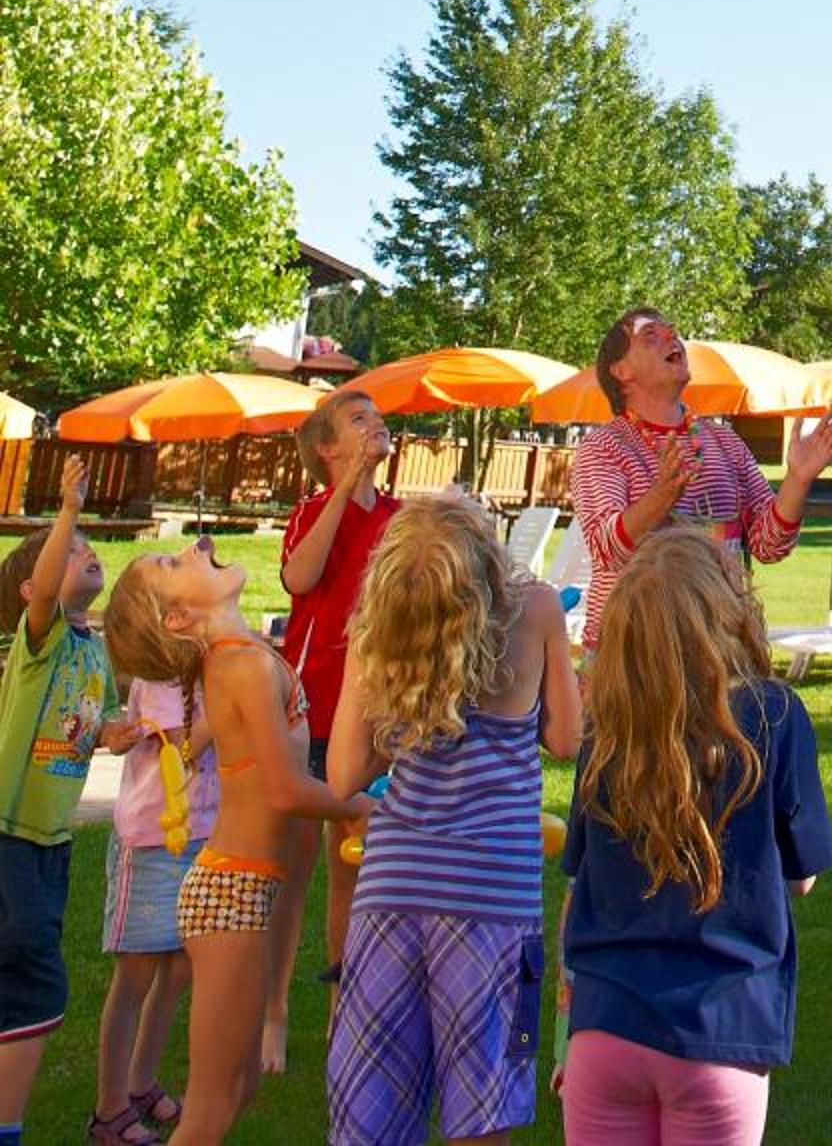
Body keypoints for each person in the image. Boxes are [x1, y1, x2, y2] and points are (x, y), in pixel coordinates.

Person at [560, 533, 832, 1143]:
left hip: (603, 1027)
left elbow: (579, 882)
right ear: (728, 613)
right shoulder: (774, 714)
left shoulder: (606, 730)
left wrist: (559, 1034)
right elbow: (803, 876)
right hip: (722, 1025)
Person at [325, 497, 583, 1146]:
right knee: (484, 1108)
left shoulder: (377, 628)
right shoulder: (537, 609)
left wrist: (406, 697)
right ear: (485, 557)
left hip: (392, 891)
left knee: (373, 1116)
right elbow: (566, 739)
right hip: (495, 900)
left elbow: (343, 775)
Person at [104, 541, 369, 1146]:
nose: (195, 547)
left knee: (240, 1088)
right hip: (230, 895)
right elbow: (283, 789)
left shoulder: (240, 656)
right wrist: (362, 807)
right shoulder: (241, 665)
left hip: (240, 889)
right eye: (172, 564)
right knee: (208, 1113)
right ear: (178, 617)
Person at [569, 308, 832, 656]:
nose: (671, 335)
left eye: (671, 330)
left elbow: (769, 546)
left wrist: (797, 480)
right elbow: (607, 550)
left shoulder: (725, 442)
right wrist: (661, 496)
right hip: (634, 653)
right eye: (650, 335)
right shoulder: (604, 448)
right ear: (621, 371)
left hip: (722, 647)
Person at [266, 385, 399, 1066]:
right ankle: (274, 1009)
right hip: (312, 706)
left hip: (374, 713)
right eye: (358, 418)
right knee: (292, 867)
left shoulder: (403, 518)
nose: (376, 424)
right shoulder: (310, 512)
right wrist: (344, 490)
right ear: (327, 448)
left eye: (377, 415)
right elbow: (299, 577)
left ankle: (344, 1009)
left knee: (356, 861)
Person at [0, 455, 121, 1144]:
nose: (85, 550)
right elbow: (46, 589)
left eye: (86, 543)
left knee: (22, 963)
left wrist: (120, 731)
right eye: (70, 549)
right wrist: (68, 510)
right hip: (11, 827)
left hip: (50, 836)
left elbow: (96, 722)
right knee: (33, 973)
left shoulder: (92, 650)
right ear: (31, 590)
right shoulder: (39, 640)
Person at [95, 629, 220, 1146]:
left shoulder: (208, 670)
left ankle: (141, 1081)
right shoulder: (158, 677)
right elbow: (186, 746)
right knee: (136, 974)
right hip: (151, 842)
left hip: (199, 835)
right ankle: (109, 1110)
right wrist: (232, 705)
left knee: (181, 965)